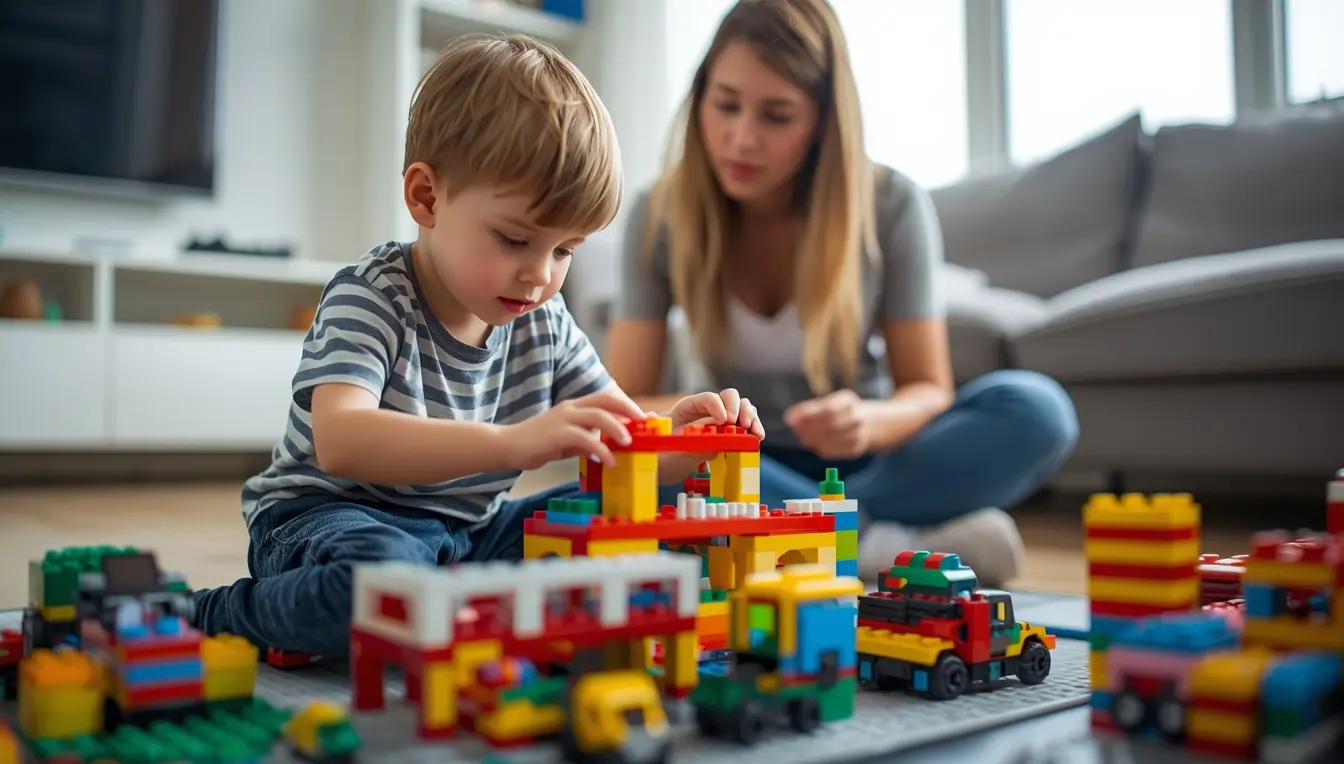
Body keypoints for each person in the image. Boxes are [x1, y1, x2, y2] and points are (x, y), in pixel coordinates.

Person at [190, 35, 762, 658]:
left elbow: (623, 454)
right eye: (516, 240)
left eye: (565, 250)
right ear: (427, 198)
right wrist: (513, 443)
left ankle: (456, 610)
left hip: (470, 535)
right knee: (380, 581)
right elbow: (342, 441)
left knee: (617, 522)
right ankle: (215, 614)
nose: (540, 274)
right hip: (329, 519)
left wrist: (685, 441)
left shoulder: (544, 321)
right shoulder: (371, 294)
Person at [605, 0, 1079, 586]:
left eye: (776, 115)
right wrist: (701, 421)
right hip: (740, 463)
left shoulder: (891, 205)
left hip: (867, 464)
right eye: (725, 104)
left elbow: (928, 390)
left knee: (1037, 410)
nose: (741, 138)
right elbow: (627, 402)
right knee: (624, 469)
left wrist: (870, 422)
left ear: (825, 120)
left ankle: (811, 537)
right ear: (699, 97)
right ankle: (889, 544)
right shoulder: (660, 213)